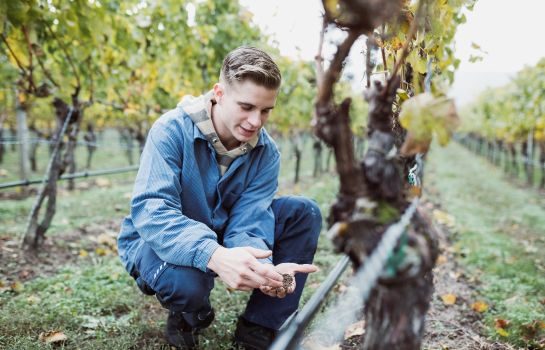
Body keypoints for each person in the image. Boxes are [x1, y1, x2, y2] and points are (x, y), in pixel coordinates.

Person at [117, 46, 322, 350]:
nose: (255, 121)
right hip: (156, 239)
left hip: (220, 230)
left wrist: (260, 267)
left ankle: (260, 327)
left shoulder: (267, 153)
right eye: (247, 106)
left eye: (266, 110)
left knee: (304, 212)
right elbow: (153, 212)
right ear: (219, 93)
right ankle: (189, 314)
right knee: (186, 285)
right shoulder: (170, 130)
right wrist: (214, 254)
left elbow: (250, 217)